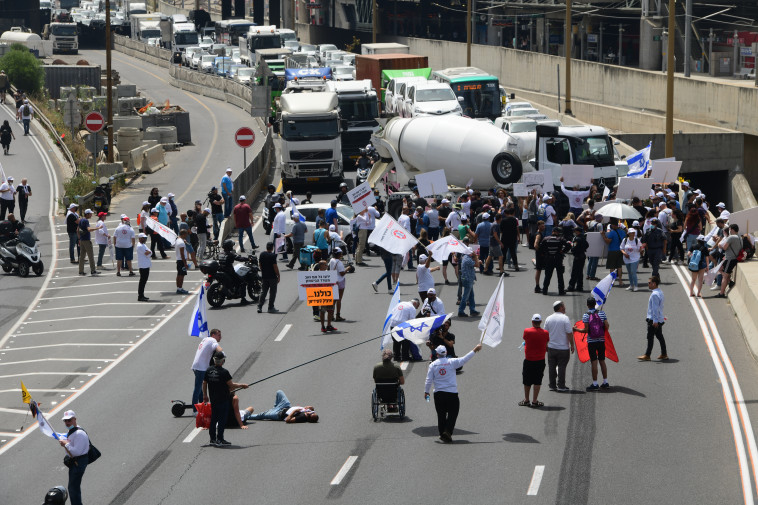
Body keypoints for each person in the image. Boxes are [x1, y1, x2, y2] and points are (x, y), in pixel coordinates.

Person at [424, 342, 483, 443]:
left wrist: (426, 392)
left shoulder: (433, 365)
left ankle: (442, 432)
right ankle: (447, 431)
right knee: (453, 413)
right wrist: (475, 349)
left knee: (441, 414)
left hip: (438, 394)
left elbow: (428, 380)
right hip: (452, 393)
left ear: (437, 354)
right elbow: (465, 359)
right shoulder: (452, 362)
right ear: (446, 353)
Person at [202, 351, 249, 445]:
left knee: (214, 419)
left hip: (213, 399)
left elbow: (204, 383)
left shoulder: (208, 370)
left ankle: (212, 439)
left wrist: (205, 395)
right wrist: (242, 385)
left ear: (214, 360)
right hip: (223, 400)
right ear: (223, 361)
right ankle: (220, 439)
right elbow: (231, 385)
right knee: (222, 420)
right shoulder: (224, 372)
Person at [575, 297, 610, 391]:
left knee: (594, 361)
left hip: (591, 341)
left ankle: (595, 383)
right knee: (602, 360)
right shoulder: (602, 313)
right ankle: (605, 382)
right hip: (601, 341)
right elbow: (607, 325)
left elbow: (586, 330)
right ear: (595, 304)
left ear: (587, 305)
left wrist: (576, 329)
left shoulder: (586, 315)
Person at [519, 313, 550, 407]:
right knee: (537, 380)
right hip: (540, 360)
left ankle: (526, 400)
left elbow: (525, 338)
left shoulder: (527, 331)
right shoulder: (545, 333)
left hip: (529, 360)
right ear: (540, 322)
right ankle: (535, 401)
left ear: (532, 322)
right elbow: (546, 343)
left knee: (527, 380)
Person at [59, 410, 90, 505]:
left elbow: (76, 452)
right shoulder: (74, 430)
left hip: (78, 462)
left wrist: (66, 444)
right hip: (77, 461)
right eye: (65, 421)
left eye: (69, 420)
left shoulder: (79, 434)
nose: (67, 423)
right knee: (74, 487)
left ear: (74, 419)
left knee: (73, 488)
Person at [544, 301, 574, 392]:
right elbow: (569, 333)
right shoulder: (565, 318)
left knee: (551, 367)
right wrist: (572, 344)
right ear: (560, 307)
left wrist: (546, 345)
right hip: (563, 348)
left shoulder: (548, 318)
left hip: (551, 348)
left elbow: (545, 333)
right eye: (564, 306)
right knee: (562, 366)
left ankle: (552, 385)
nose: (565, 308)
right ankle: (561, 385)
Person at [191, 328, 222, 412]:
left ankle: (202, 406)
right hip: (201, 367)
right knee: (197, 388)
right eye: (218, 335)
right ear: (213, 335)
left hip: (196, 365)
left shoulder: (205, 339)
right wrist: (222, 356)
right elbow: (219, 350)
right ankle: (195, 410)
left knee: (200, 388)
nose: (220, 337)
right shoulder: (212, 340)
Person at [639, 276, 668, 361]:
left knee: (650, 337)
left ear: (654, 284)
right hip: (659, 319)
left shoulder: (654, 294)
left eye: (649, 283)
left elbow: (655, 309)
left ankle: (647, 355)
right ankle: (664, 353)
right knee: (659, 336)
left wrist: (655, 321)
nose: (648, 284)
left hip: (653, 320)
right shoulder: (660, 292)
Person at [248, 390, 319, 423]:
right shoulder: (308, 412)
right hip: (285, 407)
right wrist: (309, 408)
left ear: (309, 419)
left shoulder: (302, 418)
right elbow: (311, 407)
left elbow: (288, 420)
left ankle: (243, 417)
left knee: (260, 416)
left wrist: (295, 411)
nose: (310, 413)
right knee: (279, 392)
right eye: (312, 413)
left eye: (310, 415)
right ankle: (275, 408)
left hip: (278, 414)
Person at [218, 239, 250, 304]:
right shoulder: (230, 254)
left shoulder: (220, 253)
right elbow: (239, 258)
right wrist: (248, 259)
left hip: (221, 270)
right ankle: (243, 299)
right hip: (229, 272)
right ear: (230, 246)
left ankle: (231, 291)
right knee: (242, 282)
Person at [541, 227, 571, 295]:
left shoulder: (546, 239)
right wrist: (563, 251)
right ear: (557, 232)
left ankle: (544, 290)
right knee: (560, 276)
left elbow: (541, 248)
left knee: (547, 275)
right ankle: (561, 291)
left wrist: (545, 253)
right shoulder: (561, 239)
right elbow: (569, 245)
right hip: (558, 259)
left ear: (552, 231)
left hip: (549, 259)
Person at [716, 224, 742, 298]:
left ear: (732, 229)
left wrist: (719, 245)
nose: (729, 231)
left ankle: (721, 293)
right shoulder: (740, 237)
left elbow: (724, 247)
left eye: (730, 229)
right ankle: (730, 282)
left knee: (725, 275)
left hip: (730, 258)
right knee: (722, 270)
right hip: (734, 258)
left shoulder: (731, 237)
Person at [602, 218, 627, 286]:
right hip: (620, 250)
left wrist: (603, 236)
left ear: (613, 225)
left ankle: (611, 282)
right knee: (619, 266)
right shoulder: (622, 232)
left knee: (612, 267)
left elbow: (608, 241)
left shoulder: (612, 232)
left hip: (612, 250)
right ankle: (620, 281)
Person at [257, 242, 280, 313]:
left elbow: (260, 265)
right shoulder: (273, 256)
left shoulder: (262, 254)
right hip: (272, 277)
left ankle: (260, 306)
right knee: (272, 292)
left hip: (264, 276)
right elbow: (275, 267)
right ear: (272, 248)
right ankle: (270, 307)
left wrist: (263, 271)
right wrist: (278, 275)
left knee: (263, 292)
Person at [458, 247, 480, 317]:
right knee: (466, 296)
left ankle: (472, 310)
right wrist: (476, 256)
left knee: (471, 295)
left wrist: (476, 259)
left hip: (468, 279)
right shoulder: (467, 259)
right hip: (468, 280)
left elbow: (474, 262)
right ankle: (461, 311)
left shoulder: (465, 257)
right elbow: (477, 265)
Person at [78, 209, 99, 276]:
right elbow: (89, 229)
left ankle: (81, 271)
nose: (91, 215)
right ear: (87, 214)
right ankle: (93, 270)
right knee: (90, 256)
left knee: (82, 256)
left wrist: (79, 238)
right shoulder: (86, 221)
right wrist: (97, 228)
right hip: (86, 240)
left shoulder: (81, 220)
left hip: (82, 240)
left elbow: (77, 230)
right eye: (90, 214)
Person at [567, 226, 588, 292]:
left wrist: (571, 245)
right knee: (580, 272)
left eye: (575, 231)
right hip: (582, 256)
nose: (574, 232)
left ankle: (571, 286)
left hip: (578, 256)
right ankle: (579, 286)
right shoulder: (583, 238)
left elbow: (574, 248)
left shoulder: (577, 239)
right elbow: (587, 245)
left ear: (577, 231)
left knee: (574, 272)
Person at [329, 247, 347, 321]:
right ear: (339, 254)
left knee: (333, 300)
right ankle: (338, 315)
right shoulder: (339, 263)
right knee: (339, 299)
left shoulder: (331, 260)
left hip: (333, 281)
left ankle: (331, 315)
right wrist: (348, 269)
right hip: (340, 281)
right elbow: (342, 273)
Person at [136, 233, 151, 301]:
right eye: (143, 238)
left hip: (146, 265)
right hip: (143, 266)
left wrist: (149, 252)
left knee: (144, 281)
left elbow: (150, 252)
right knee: (142, 281)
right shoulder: (140, 246)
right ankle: (140, 296)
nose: (145, 239)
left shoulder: (143, 245)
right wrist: (149, 252)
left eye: (145, 238)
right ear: (140, 238)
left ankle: (142, 295)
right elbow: (148, 254)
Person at [175, 229, 190, 294]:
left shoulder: (178, 240)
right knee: (181, 275)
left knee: (179, 274)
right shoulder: (181, 243)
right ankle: (180, 289)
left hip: (178, 260)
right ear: (183, 234)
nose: (186, 235)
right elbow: (182, 254)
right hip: (181, 261)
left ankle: (178, 288)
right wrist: (185, 263)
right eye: (186, 234)